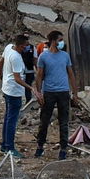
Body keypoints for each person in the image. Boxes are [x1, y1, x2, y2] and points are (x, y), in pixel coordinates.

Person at [33, 30, 76, 159]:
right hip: (49, 92)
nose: (62, 42)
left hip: (63, 92)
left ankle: (63, 149)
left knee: (64, 122)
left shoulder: (65, 56)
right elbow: (39, 76)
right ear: (53, 41)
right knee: (44, 121)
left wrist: (75, 92)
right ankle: (40, 146)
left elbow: (71, 74)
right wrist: (39, 93)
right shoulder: (43, 57)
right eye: (60, 40)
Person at [0, 34, 35, 157]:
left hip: (7, 88)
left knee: (8, 117)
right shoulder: (17, 58)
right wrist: (30, 88)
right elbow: (17, 78)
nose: (27, 48)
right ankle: (10, 147)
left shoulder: (9, 48)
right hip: (14, 91)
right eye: (26, 46)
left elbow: (0, 62)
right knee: (12, 120)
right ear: (21, 46)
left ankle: (4, 145)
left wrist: (2, 78)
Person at [20, 40, 38, 105]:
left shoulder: (33, 48)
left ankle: (28, 100)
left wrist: (37, 70)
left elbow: (35, 59)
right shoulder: (20, 48)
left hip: (30, 70)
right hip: (21, 70)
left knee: (28, 86)